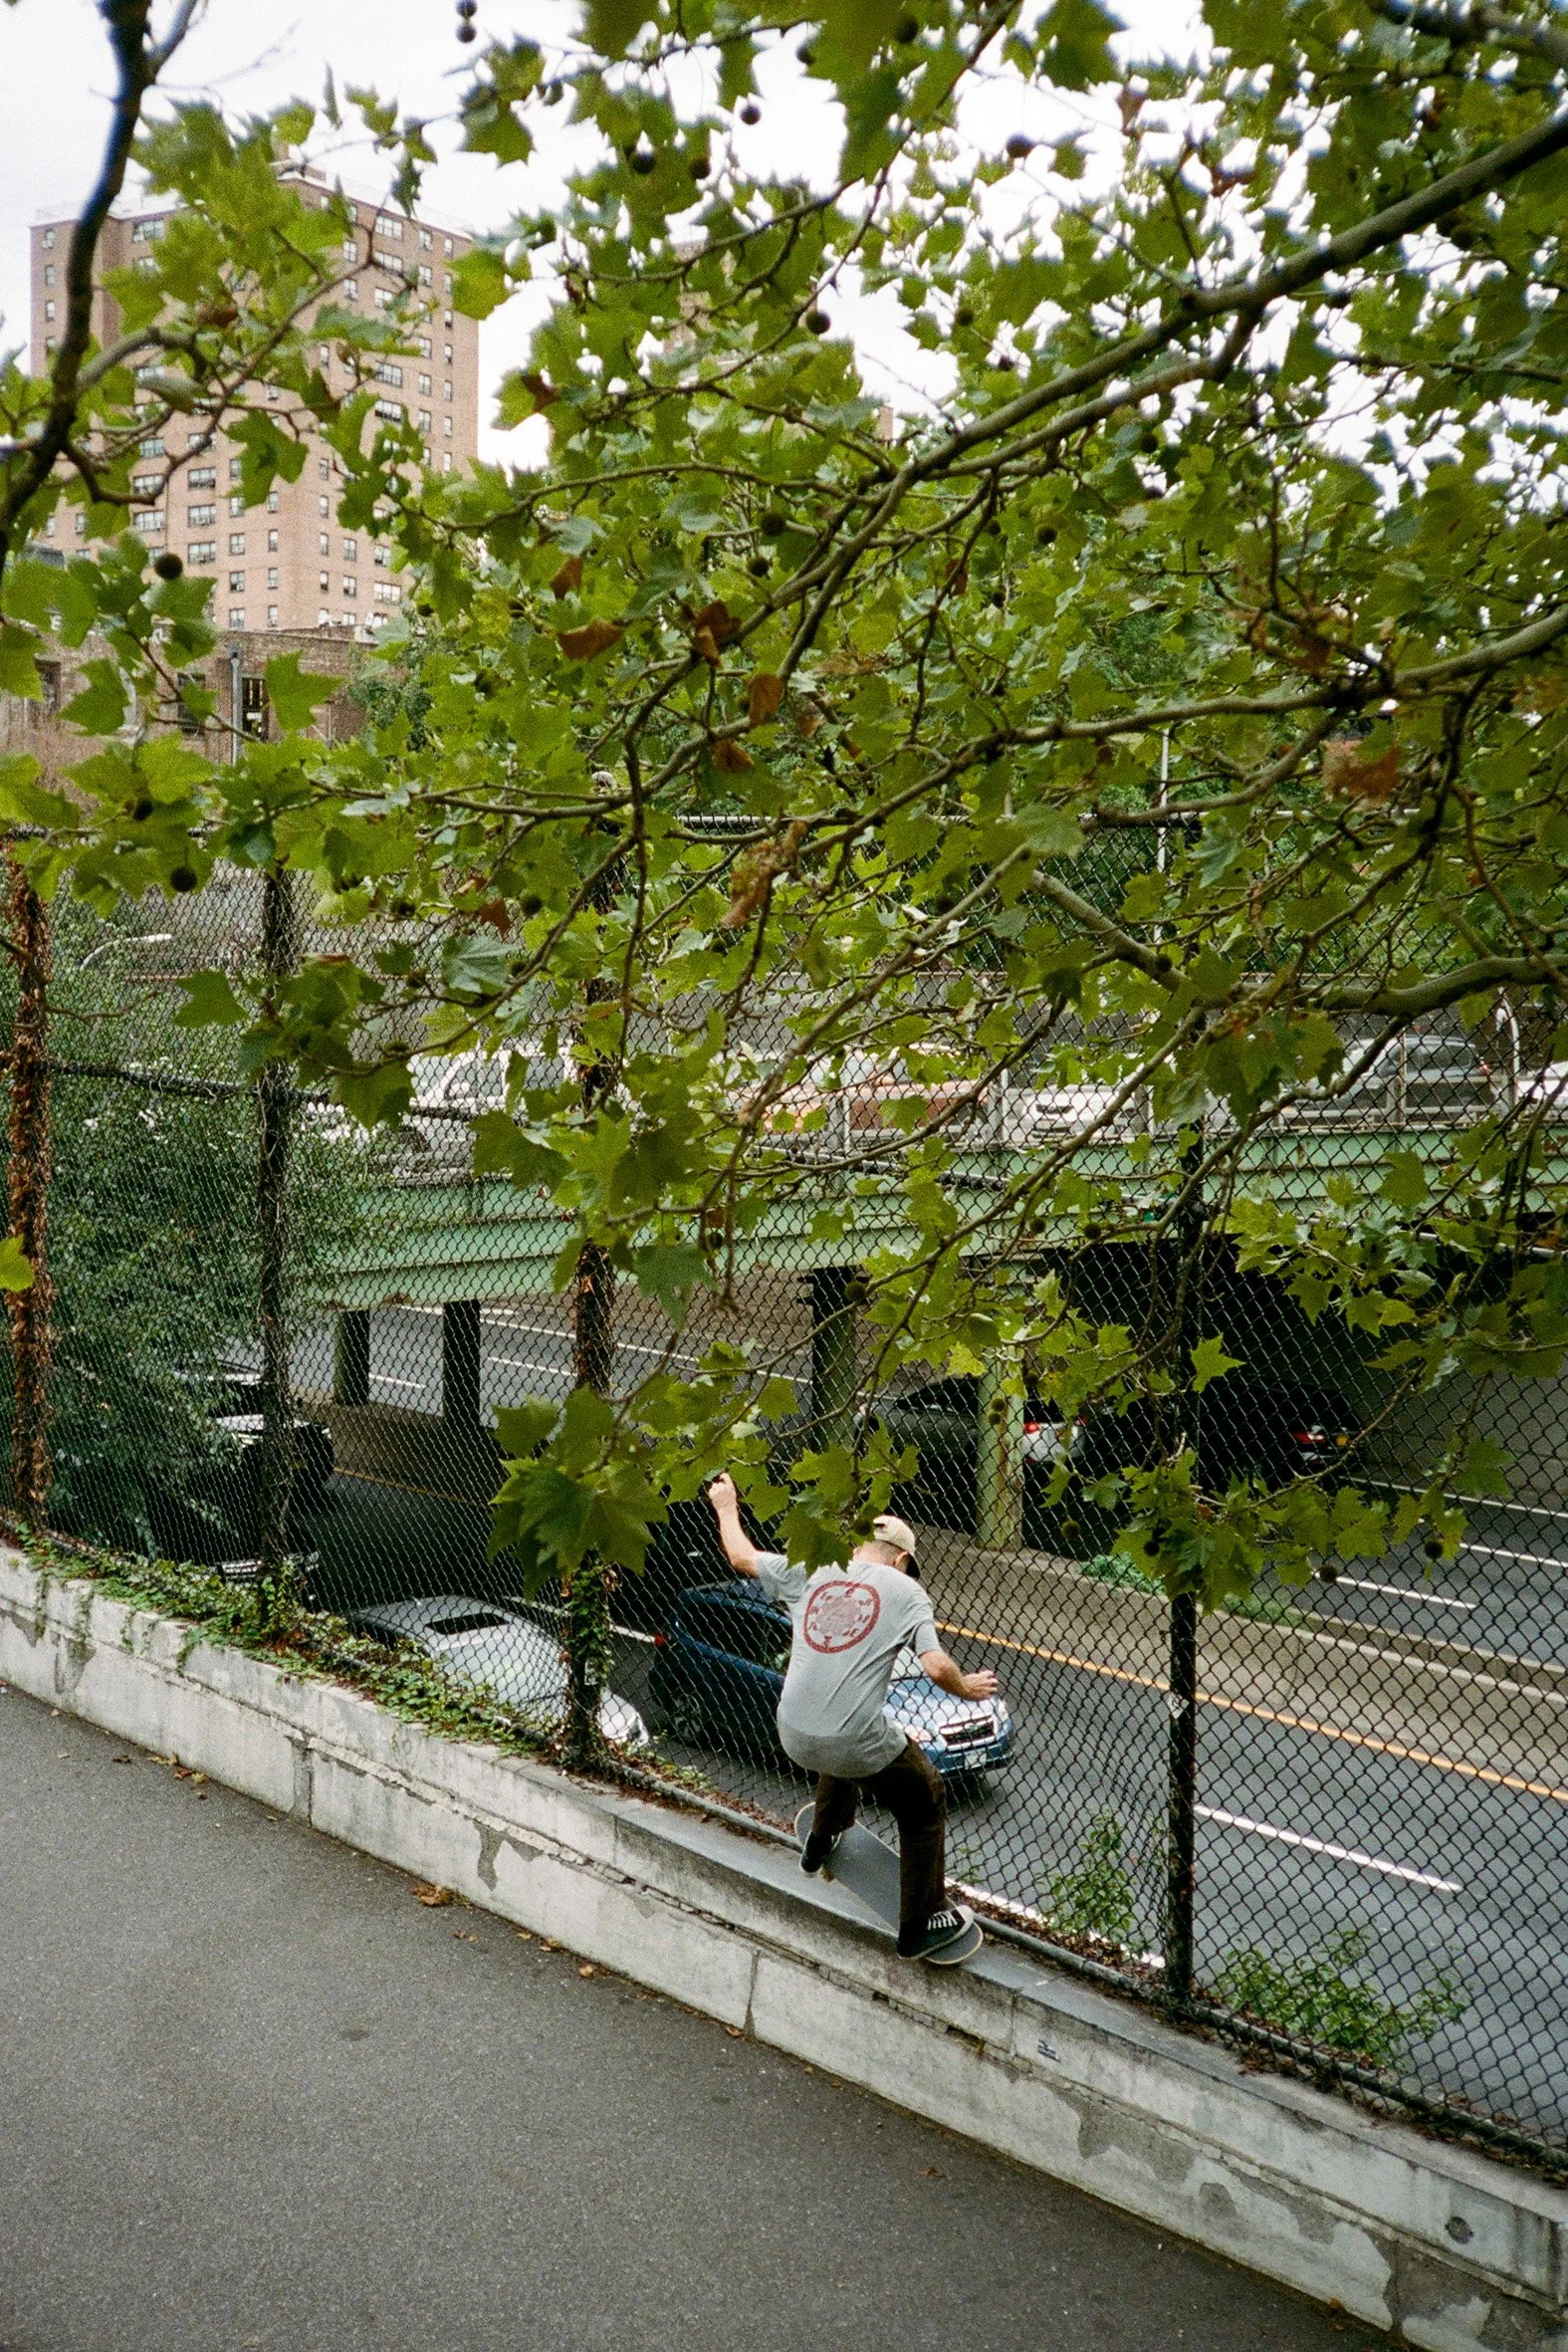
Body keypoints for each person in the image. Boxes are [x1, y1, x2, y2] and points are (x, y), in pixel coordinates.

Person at [706, 1472, 1000, 1962]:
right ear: (902, 1560)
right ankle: (920, 1926)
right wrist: (967, 1687)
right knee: (925, 1798)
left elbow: (739, 1556)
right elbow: (935, 1664)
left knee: (846, 1743)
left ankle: (819, 1842)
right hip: (849, 1739)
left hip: (793, 1731)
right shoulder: (908, 1592)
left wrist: (725, 1503)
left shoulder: (814, 1568)